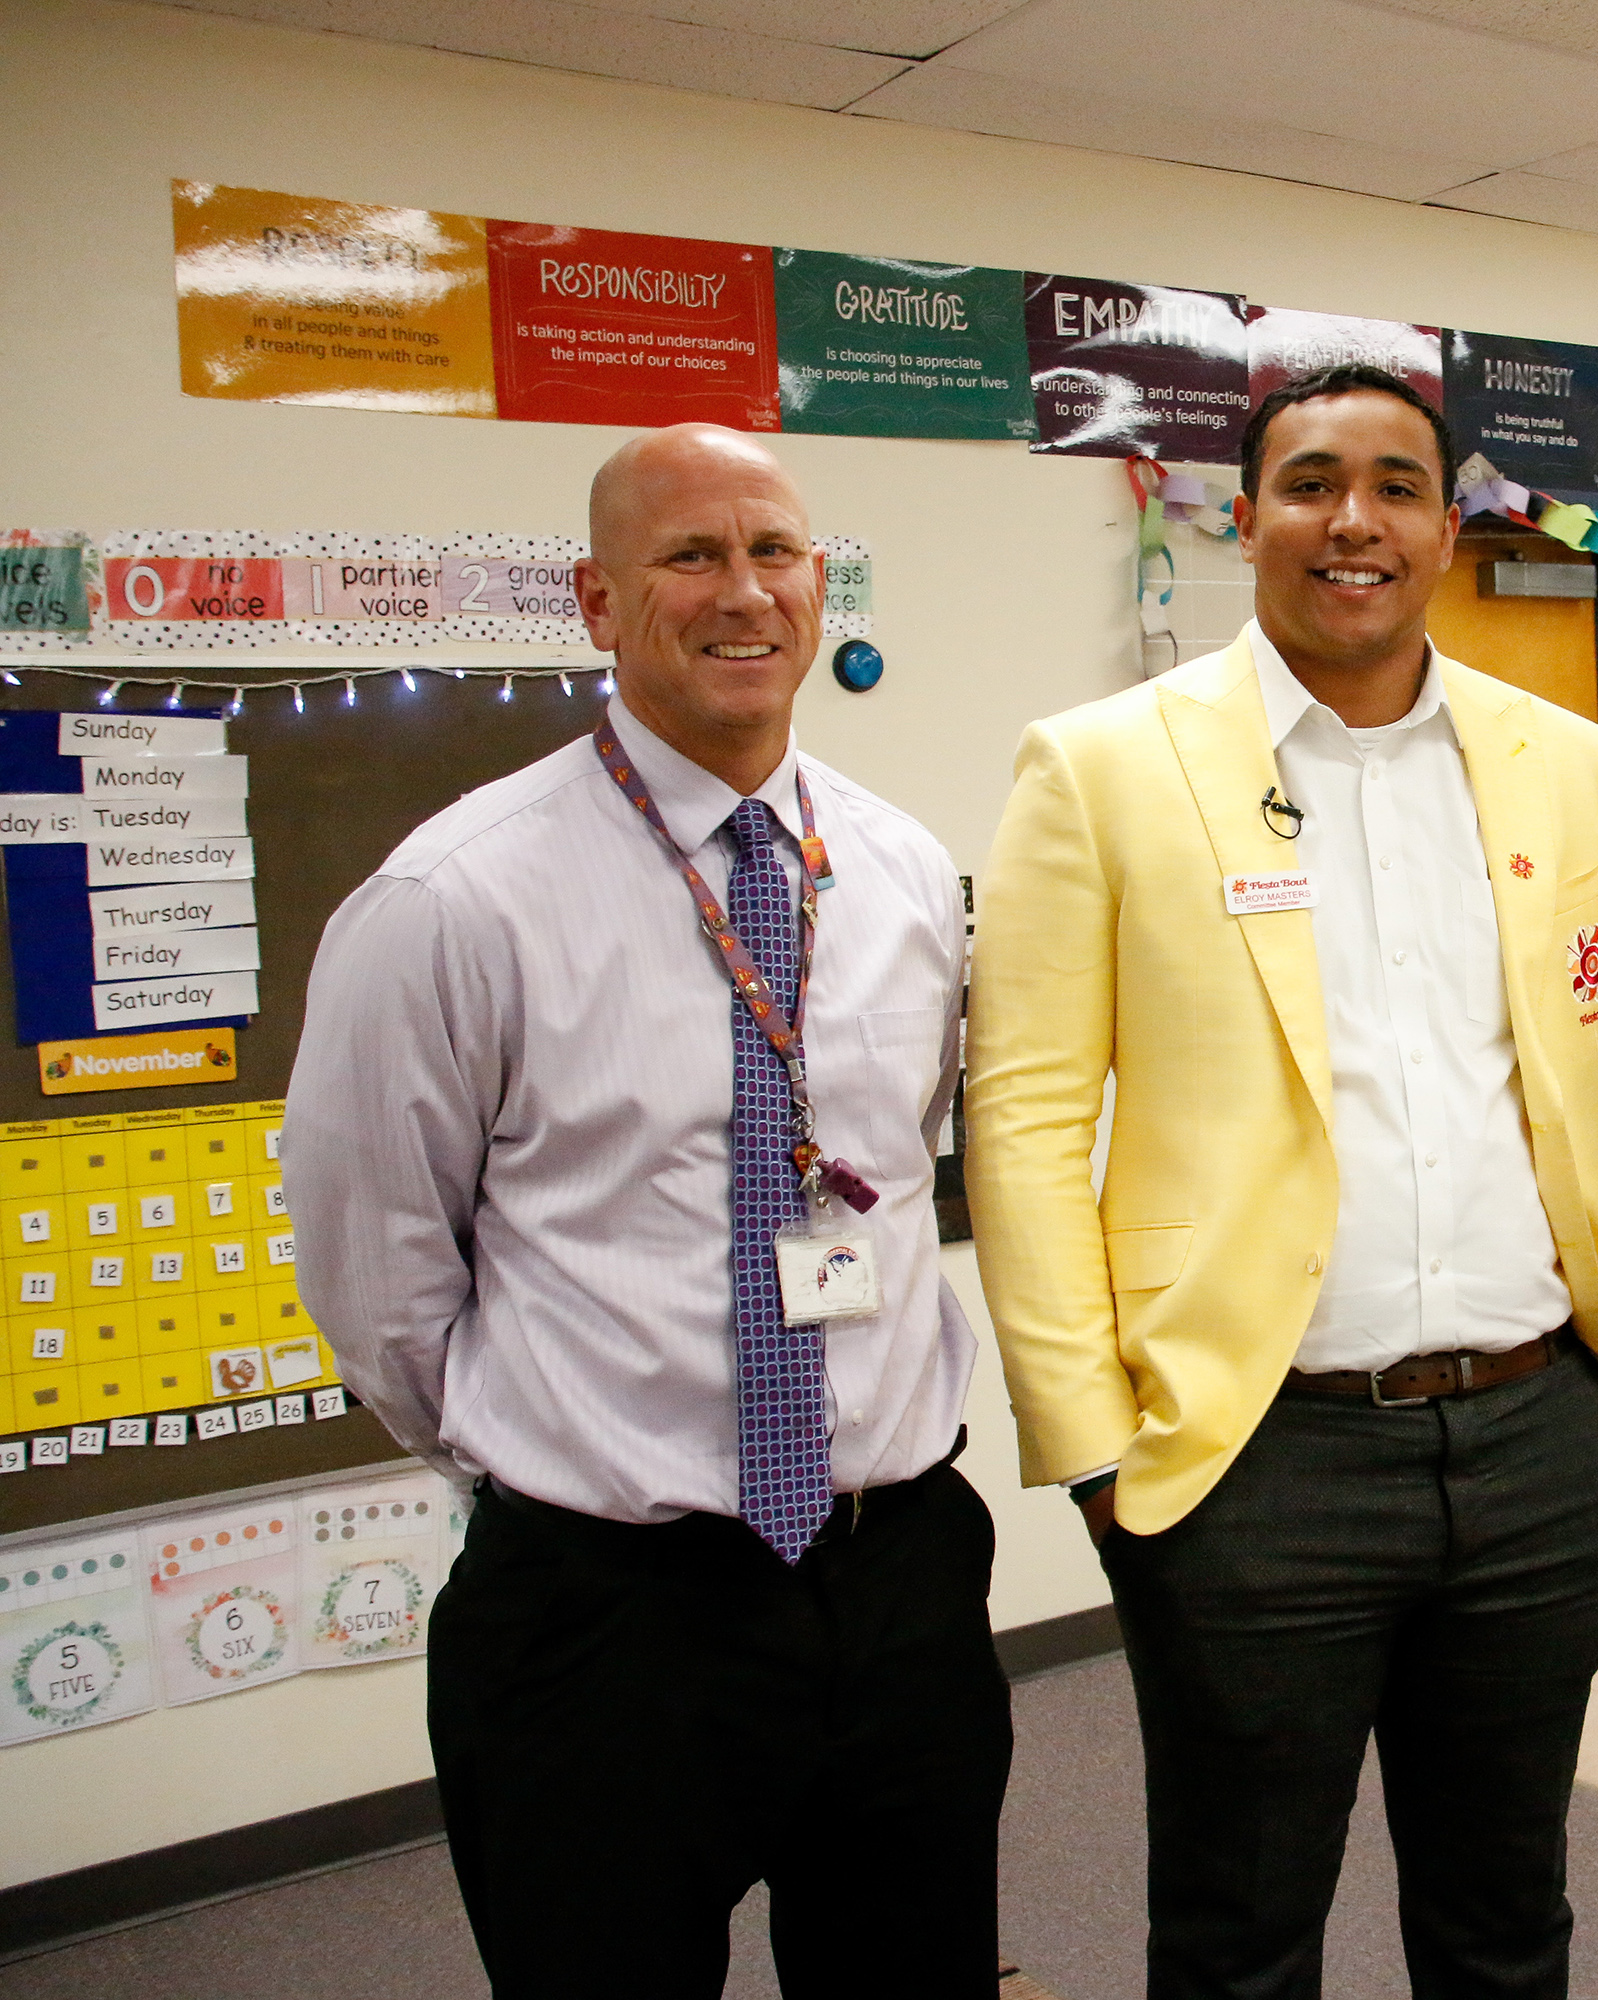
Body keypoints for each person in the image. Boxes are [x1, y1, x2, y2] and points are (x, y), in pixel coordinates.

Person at [967, 363, 1598, 2000]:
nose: (1351, 521)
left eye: (1394, 485)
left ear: (1447, 524)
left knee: (1509, 1913)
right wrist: (1094, 1449)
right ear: (1248, 513)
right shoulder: (1103, 767)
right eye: (1308, 483)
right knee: (1239, 1929)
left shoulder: (1561, 760)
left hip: (1540, 1442)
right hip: (1249, 1459)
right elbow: (1021, 1122)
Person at [286, 424, 1006, 1997]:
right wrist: (549, 1462)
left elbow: (912, 1171)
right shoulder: (453, 900)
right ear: (599, 603)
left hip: (896, 1580)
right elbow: (374, 1279)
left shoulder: (898, 867)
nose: (742, 592)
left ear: (820, 585)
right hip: (606, 1619)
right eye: (690, 555)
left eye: (776, 552)